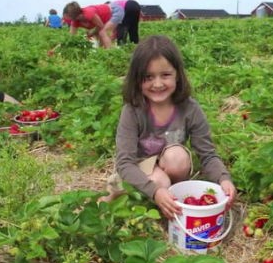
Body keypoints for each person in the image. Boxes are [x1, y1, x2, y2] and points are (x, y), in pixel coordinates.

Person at [100, 35, 237, 220]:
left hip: (169, 164)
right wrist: (155, 191)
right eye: (148, 77)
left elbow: (208, 154)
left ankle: (173, 200)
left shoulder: (189, 108)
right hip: (137, 169)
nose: (157, 84)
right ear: (137, 79)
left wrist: (223, 179)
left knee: (177, 158)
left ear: (178, 75)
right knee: (155, 182)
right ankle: (141, 201)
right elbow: (124, 163)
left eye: (165, 75)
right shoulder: (133, 111)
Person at [62, 0, 140, 49]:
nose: (66, 20)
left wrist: (91, 33)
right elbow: (71, 37)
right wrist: (63, 46)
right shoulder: (75, 21)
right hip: (110, 16)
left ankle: (111, 53)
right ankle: (102, 50)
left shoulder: (89, 13)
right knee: (99, 33)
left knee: (103, 32)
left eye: (67, 17)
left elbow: (101, 26)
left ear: (74, 15)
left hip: (115, 10)